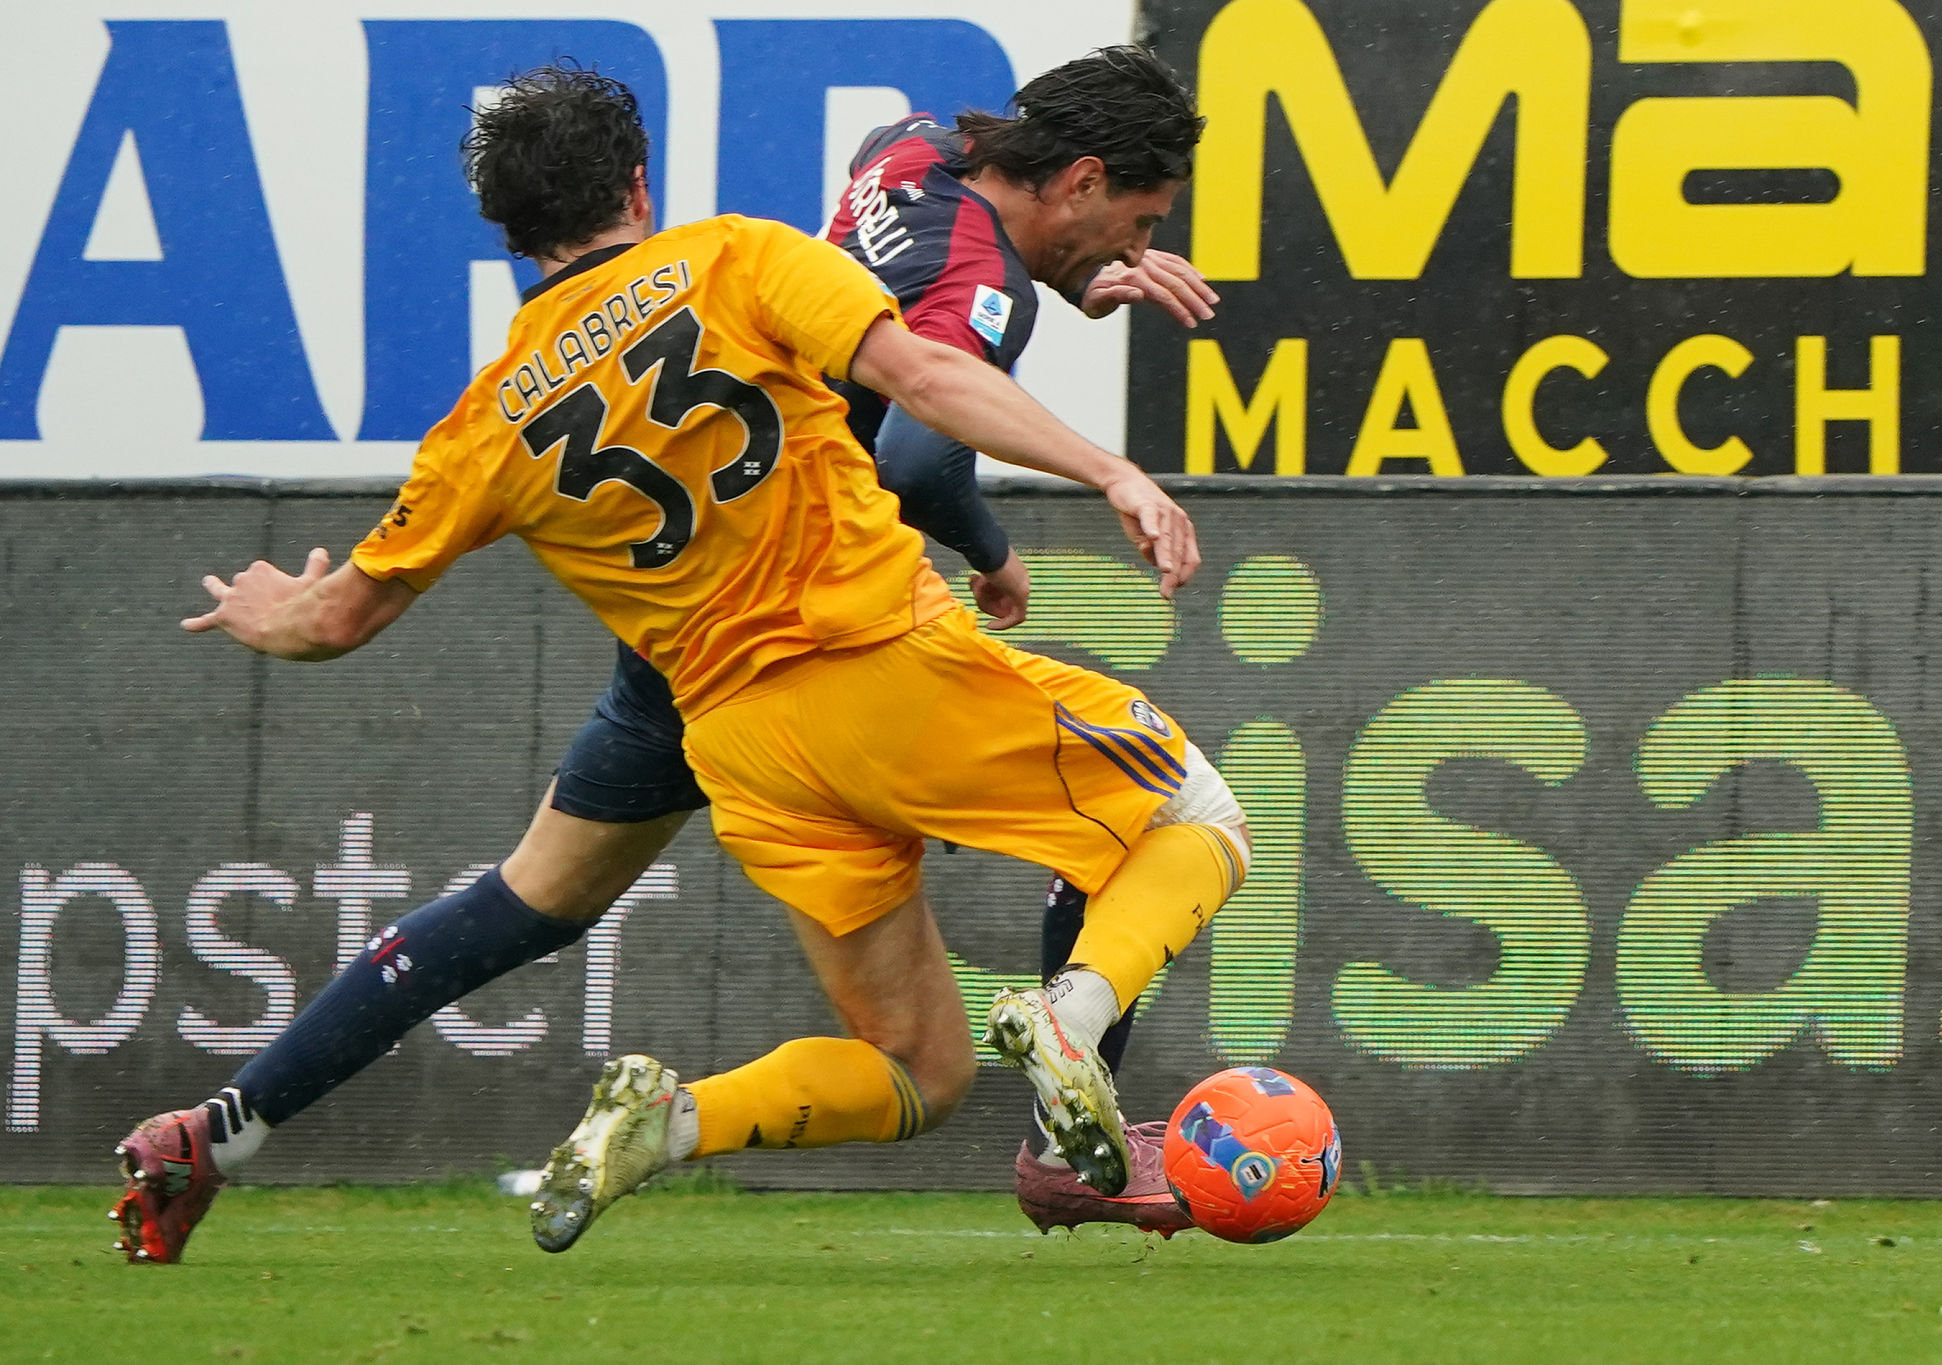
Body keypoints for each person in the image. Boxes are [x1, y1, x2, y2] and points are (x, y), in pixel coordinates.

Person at [109, 54, 1225, 1265]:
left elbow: (333, 623)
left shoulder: (485, 426)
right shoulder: (737, 257)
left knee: (859, 1044)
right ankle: (1073, 1038)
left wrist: (274, 608)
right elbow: (922, 387)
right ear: (640, 181)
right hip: (856, 644)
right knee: (1185, 814)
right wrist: (1102, 472)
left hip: (716, 719)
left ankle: (252, 1132)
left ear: (508, 231)